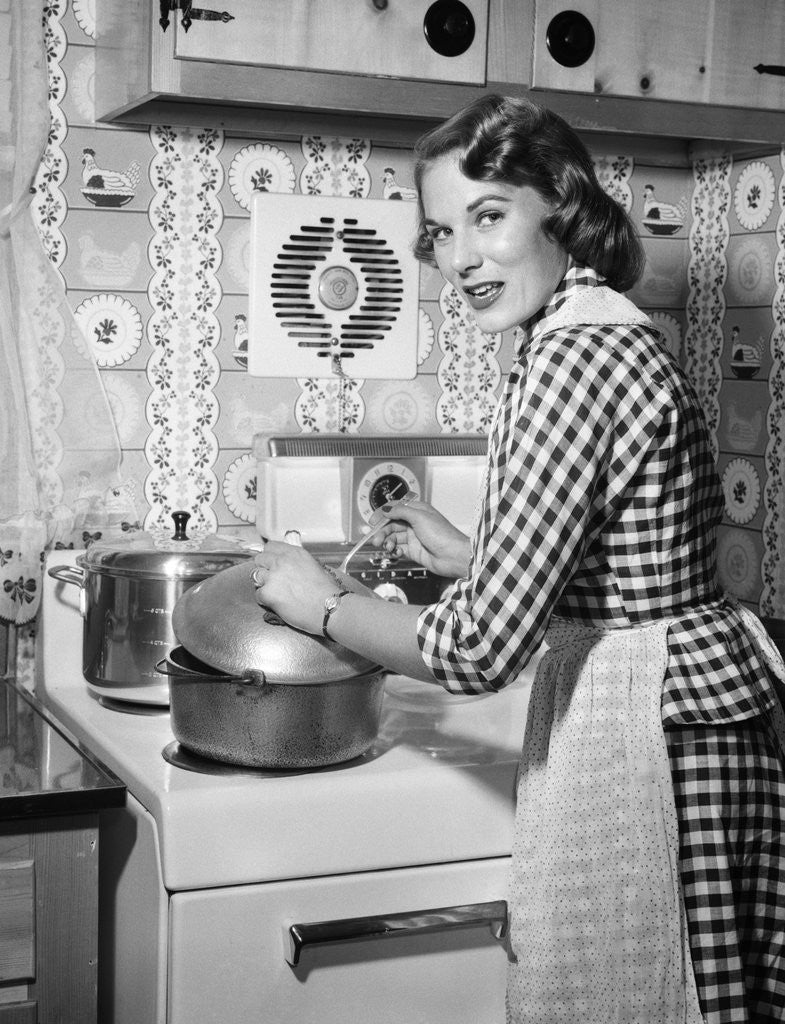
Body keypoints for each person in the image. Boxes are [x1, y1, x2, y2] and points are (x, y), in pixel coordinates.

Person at [251, 94, 785, 1023]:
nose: (460, 258)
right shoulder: (606, 326)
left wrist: (320, 606)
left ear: (559, 207)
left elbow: (477, 652)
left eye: (488, 216)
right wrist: (472, 555)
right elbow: (635, 560)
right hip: (700, 711)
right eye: (440, 232)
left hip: (658, 743)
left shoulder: (569, 360)